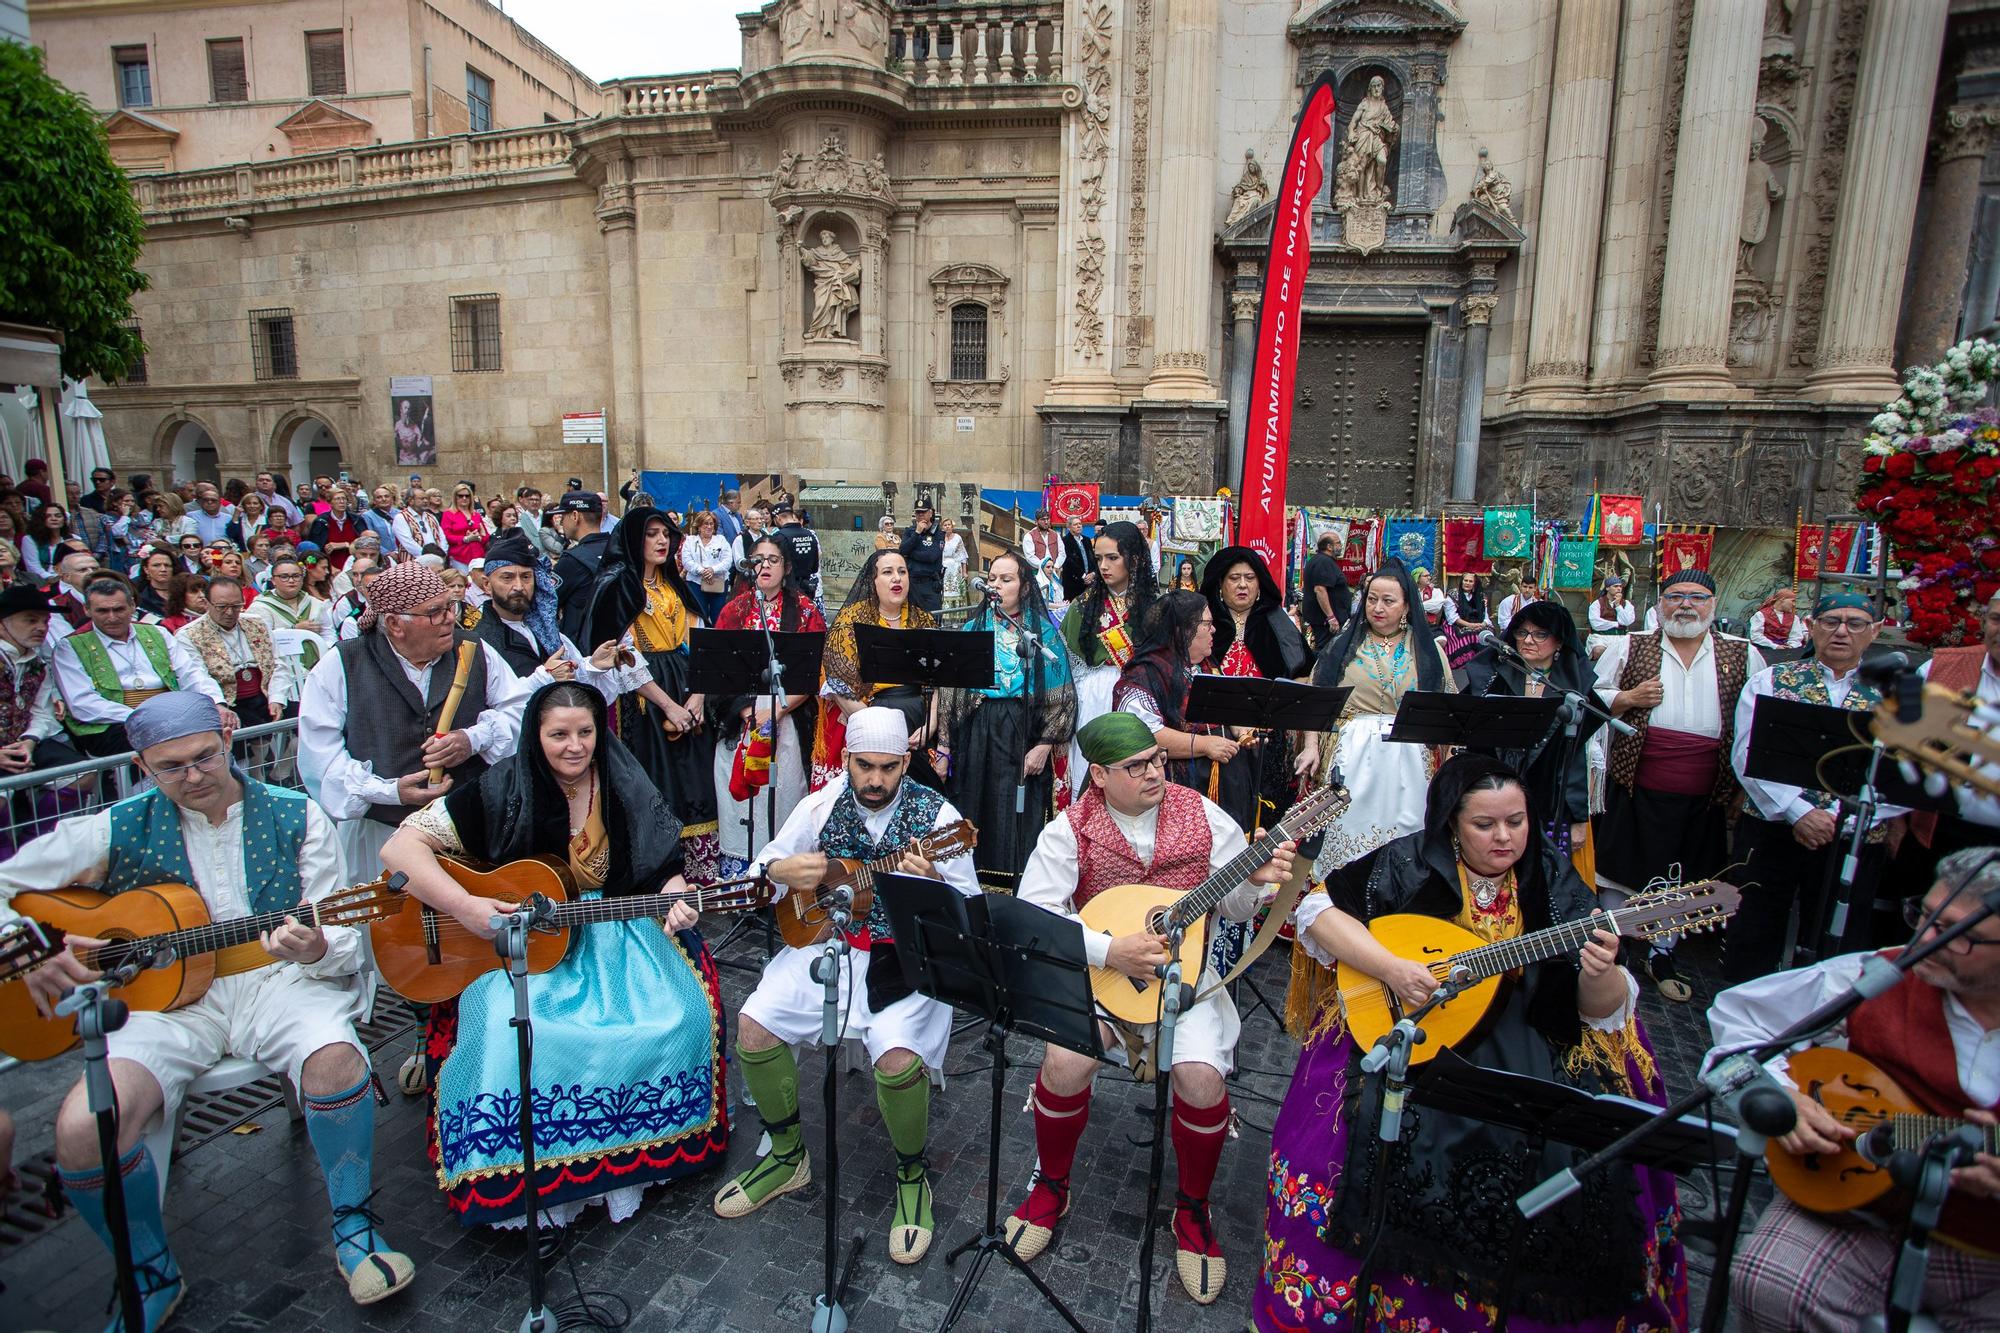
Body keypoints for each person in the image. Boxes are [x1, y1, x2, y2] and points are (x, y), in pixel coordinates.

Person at [6, 693, 417, 1324]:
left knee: (338, 1064)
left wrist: (312, 947)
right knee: (84, 1129)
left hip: (276, 980)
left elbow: (336, 940)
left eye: (205, 757)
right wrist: (29, 949)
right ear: (143, 766)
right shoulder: (115, 825)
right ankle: (146, 1271)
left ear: (227, 741)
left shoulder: (296, 815)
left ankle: (354, 1228)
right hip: (163, 1006)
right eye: (172, 768)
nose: (194, 776)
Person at [1263, 753, 1679, 1330]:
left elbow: (1597, 1011)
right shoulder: (1408, 862)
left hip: (1528, 1040)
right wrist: (1390, 967)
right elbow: (1318, 910)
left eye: (1517, 820)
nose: (1505, 837)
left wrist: (1600, 971)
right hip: (1416, 1031)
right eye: (1485, 825)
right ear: (1452, 824)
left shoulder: (1552, 880)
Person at [380, 681, 728, 1227]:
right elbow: (398, 848)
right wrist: (468, 907)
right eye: (558, 734)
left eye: (585, 732)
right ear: (534, 735)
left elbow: (665, 873)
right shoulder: (502, 786)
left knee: (676, 1017)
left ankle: (633, 1157)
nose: (574, 746)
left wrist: (678, 899)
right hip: (519, 944)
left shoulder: (627, 783)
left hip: (615, 930)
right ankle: (521, 1181)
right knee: (508, 1029)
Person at [1008, 713, 1298, 1305]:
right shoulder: (1069, 829)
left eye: (1157, 761)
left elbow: (1238, 911)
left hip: (1187, 978)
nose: (1153, 774)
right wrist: (1110, 948)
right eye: (1135, 766)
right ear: (1098, 774)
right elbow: (1033, 913)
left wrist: (1255, 881)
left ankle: (1192, 1211)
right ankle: (1051, 1187)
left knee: (1199, 1078)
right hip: (1105, 977)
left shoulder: (1202, 813)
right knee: (1065, 1059)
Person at [714, 706, 976, 1266]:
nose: (875, 780)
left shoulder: (940, 819)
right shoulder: (819, 805)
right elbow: (761, 871)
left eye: (887, 767)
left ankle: (912, 1174)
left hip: (901, 961)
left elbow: (969, 911)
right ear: (845, 760)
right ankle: (787, 1155)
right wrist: (779, 874)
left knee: (898, 1061)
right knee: (754, 1026)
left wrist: (933, 885)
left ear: (906, 762)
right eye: (864, 767)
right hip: (827, 946)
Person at [1710, 848, 2000, 1330]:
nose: (1925, 939)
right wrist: (1780, 1099)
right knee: (1770, 1282)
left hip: (1989, 1250)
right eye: (1924, 915)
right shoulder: (1879, 975)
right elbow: (1741, 1019)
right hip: (1860, 1203)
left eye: (1959, 935)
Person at [297, 560, 536, 891]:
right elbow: (319, 761)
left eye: (449, 607)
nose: (450, 617)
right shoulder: (341, 664)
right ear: (395, 624)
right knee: (390, 935)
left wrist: (472, 738)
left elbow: (521, 711)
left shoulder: (474, 650)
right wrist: (390, 792)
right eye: (435, 612)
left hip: (466, 828)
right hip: (381, 839)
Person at [1594, 568, 1764, 1002]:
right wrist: (1629, 698)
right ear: (1660, 603)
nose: (1685, 604)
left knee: (1682, 869)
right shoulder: (1630, 645)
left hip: (1702, 786)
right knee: (1621, 861)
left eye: (1697, 597)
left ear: (1713, 604)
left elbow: (1753, 724)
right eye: (1675, 596)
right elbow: (1593, 695)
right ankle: (1613, 943)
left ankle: (1662, 950)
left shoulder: (1743, 655)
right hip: (1636, 777)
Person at [1727, 591, 1904, 982]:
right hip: (1774, 826)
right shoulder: (1772, 680)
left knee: (1836, 934)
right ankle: (1747, 1010)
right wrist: (1799, 811)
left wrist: (1839, 816)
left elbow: (1905, 771)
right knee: (1756, 922)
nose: (1842, 632)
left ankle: (1823, 1016)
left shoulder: (1897, 695)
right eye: (1831, 622)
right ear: (1810, 627)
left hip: (1853, 836)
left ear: (1874, 631)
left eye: (1855, 623)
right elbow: (1746, 754)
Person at [582, 506, 720, 880]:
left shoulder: (674, 584)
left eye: (666, 534)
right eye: (652, 534)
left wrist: (699, 695)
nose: (662, 541)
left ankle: (701, 873)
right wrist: (669, 705)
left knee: (696, 778)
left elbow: (700, 635)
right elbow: (621, 654)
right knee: (656, 780)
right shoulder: (620, 584)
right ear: (632, 539)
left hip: (686, 682)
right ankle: (662, 873)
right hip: (644, 697)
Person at [937, 550, 1075, 888]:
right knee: (976, 804)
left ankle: (1019, 887)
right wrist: (943, 745)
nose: (996, 585)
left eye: (1006, 579)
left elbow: (1062, 692)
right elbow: (950, 692)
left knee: (1018, 810)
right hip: (977, 730)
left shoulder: (1043, 635)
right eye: (993, 578)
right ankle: (972, 886)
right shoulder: (972, 629)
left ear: (1024, 587)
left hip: (1022, 730)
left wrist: (1044, 744)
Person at [1309, 561, 1454, 872]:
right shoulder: (1343, 646)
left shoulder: (1428, 652)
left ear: (1406, 606)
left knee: (1406, 833)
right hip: (1351, 757)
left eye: (1388, 601)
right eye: (1371, 598)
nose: (1377, 608)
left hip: (1410, 760)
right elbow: (1316, 701)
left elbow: (1446, 710)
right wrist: (1310, 747)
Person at [710, 534, 826, 879]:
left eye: (773, 559)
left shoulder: (805, 611)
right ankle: (741, 879)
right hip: (740, 716)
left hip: (786, 714)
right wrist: (747, 712)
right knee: (743, 799)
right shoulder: (734, 610)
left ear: (786, 566)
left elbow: (812, 671)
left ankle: (781, 875)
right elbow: (718, 667)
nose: (764, 566)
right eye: (757, 559)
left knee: (784, 790)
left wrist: (777, 711)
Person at [1466, 598, 1604, 880]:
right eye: (1522, 632)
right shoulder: (1494, 678)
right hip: (1495, 802)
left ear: (1559, 642)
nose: (1528, 640)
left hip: (1549, 806)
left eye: (1540, 634)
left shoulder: (1575, 690)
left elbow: (1575, 759)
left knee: (1545, 879)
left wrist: (1577, 818)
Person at [54, 575, 228, 756]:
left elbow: (191, 673)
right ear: (87, 610)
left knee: (221, 727)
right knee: (160, 742)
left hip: (171, 713)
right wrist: (145, 716)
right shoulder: (70, 647)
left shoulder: (158, 633)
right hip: (113, 723)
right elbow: (82, 702)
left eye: (119, 609)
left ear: (132, 606)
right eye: (103, 611)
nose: (112, 617)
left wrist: (216, 703)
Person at [811, 549, 939, 790]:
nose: (897, 578)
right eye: (888, 572)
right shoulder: (851, 620)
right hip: (868, 720)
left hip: (918, 728)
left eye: (902, 571)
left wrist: (930, 724)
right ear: (873, 580)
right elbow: (838, 682)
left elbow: (939, 680)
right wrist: (878, 727)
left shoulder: (923, 620)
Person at [1059, 520, 1161, 797]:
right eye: (1099, 559)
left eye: (1112, 558)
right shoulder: (1083, 605)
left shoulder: (1156, 607)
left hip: (1142, 697)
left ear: (1134, 559)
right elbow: (1067, 661)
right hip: (1094, 699)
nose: (1103, 566)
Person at [177, 575, 287, 728]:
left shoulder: (257, 622)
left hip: (265, 696)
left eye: (236, 606)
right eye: (222, 607)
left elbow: (278, 664)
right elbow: (197, 676)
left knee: (302, 716)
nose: (229, 612)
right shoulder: (188, 634)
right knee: (252, 727)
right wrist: (218, 704)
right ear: (207, 604)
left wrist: (277, 698)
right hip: (228, 703)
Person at [0, 585, 82, 777]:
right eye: (31, 620)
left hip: (21, 743)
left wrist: (29, 741)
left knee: (80, 775)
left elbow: (42, 711)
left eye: (46, 621)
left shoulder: (37, 664)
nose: (42, 628)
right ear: (2, 624)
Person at [246, 556, 331, 711]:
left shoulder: (315, 603)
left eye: (296, 576)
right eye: (284, 577)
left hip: (318, 668)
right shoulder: (260, 607)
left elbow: (328, 632)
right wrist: (294, 629)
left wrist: (325, 653)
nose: (291, 580)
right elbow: (260, 643)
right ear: (273, 580)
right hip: (283, 673)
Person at [551, 490, 612, 642]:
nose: (561, 523)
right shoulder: (620, 551)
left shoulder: (572, 560)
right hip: (619, 644)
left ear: (575, 516)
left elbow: (548, 603)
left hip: (584, 650)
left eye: (563, 516)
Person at [679, 509, 734, 624]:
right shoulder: (690, 541)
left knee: (717, 615)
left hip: (718, 582)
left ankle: (716, 640)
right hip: (696, 583)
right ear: (698, 526)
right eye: (705, 524)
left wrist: (713, 570)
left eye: (711, 524)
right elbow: (687, 561)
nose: (709, 527)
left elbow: (728, 560)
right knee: (699, 615)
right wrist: (702, 571)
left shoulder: (721, 540)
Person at [1298, 534, 1350, 653]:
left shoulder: (1322, 560)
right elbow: (1320, 590)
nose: (1341, 546)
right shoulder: (1323, 561)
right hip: (1326, 622)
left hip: (1326, 620)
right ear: (1329, 546)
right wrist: (1331, 617)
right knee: (1326, 652)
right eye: (1338, 543)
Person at [899, 500, 946, 614]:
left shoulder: (938, 533)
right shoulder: (910, 532)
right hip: (912, 583)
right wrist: (917, 533)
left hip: (930, 584)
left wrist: (911, 553)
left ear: (930, 513)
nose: (920, 515)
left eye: (923, 512)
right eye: (918, 512)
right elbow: (902, 550)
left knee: (932, 623)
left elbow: (932, 556)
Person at [47, 540, 99, 631]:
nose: (91, 573)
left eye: (95, 569)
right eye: (83, 570)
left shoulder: (118, 595)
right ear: (67, 576)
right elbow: (66, 640)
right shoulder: (56, 604)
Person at [307, 487, 362, 571]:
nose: (341, 502)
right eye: (337, 499)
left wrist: (345, 544)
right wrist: (327, 568)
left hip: (355, 565)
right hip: (330, 567)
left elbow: (365, 543)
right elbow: (314, 551)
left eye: (344, 498)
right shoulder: (321, 521)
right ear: (330, 502)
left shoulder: (356, 519)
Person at [439, 482, 491, 570]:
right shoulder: (448, 514)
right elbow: (446, 536)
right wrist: (465, 539)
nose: (464, 498)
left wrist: (479, 538)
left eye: (467, 496)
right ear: (455, 497)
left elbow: (486, 536)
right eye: (460, 496)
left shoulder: (476, 515)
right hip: (459, 556)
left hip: (478, 555)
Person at [390, 488, 444, 562]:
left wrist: (442, 554)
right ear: (411, 501)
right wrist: (428, 558)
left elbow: (442, 538)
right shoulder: (401, 517)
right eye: (422, 499)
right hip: (413, 562)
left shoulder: (431, 517)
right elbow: (408, 543)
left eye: (426, 498)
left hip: (437, 560)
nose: (425, 501)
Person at [20, 502, 70, 582]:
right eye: (48, 516)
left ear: (64, 520)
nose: (54, 518)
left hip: (70, 579)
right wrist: (53, 578)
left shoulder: (73, 539)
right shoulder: (30, 540)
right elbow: (33, 568)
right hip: (43, 582)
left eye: (58, 516)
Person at [1749, 585, 1809, 651]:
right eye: (1792, 601)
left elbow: (1796, 637)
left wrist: (1791, 646)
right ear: (1782, 599)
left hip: (1786, 652)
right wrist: (1774, 646)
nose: (1794, 604)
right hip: (1763, 650)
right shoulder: (1761, 615)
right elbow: (1756, 636)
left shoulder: (1794, 618)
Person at [134, 546, 178, 619]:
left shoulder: (184, 592)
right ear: (146, 569)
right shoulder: (140, 597)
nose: (163, 569)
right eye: (156, 565)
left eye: (167, 565)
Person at [1059, 514, 1091, 604]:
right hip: (1073, 583)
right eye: (1075, 524)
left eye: (1080, 524)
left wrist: (1092, 574)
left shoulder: (1087, 540)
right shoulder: (1064, 541)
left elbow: (1092, 559)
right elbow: (1068, 561)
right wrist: (1084, 576)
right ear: (1069, 527)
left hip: (1088, 582)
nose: (1079, 526)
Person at [939, 515, 969, 605]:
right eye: (945, 525)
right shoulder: (940, 538)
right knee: (944, 591)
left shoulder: (957, 538)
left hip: (955, 567)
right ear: (942, 527)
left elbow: (963, 555)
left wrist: (964, 571)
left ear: (952, 526)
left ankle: (956, 616)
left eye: (949, 524)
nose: (947, 526)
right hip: (943, 567)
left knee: (957, 591)